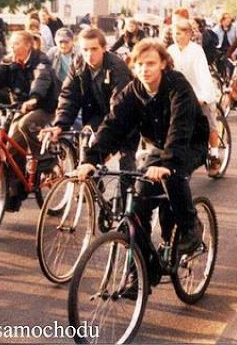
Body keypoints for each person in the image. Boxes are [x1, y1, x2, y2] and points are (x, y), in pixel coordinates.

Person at [74, 39, 208, 266]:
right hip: (159, 148)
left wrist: (168, 163)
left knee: (173, 176)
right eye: (140, 64)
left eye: (151, 64)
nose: (145, 70)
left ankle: (190, 228)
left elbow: (180, 128)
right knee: (137, 201)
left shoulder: (178, 86)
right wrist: (90, 159)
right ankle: (143, 269)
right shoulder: (132, 91)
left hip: (189, 144)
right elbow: (112, 125)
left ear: (163, 64)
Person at [0, 30, 60, 211]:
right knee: (9, 147)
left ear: (27, 46)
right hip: (20, 105)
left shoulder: (41, 61)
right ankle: (16, 191)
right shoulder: (9, 62)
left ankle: (45, 159)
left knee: (24, 125)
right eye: (11, 44)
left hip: (44, 105)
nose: (12, 47)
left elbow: (41, 79)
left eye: (16, 44)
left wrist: (34, 98)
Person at [43, 27, 134, 145]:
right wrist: (60, 124)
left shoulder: (117, 67)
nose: (89, 54)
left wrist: (102, 132)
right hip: (96, 115)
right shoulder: (78, 64)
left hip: (124, 119)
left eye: (94, 49)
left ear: (104, 48)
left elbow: (120, 105)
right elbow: (69, 96)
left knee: (126, 160)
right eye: (85, 50)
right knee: (85, 150)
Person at [168, 18, 224, 176]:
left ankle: (214, 155)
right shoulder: (171, 50)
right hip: (180, 94)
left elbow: (203, 75)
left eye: (178, 33)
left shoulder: (196, 51)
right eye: (173, 33)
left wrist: (204, 96)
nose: (175, 36)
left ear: (188, 34)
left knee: (209, 124)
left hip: (200, 92)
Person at [212, 13, 237, 81]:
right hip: (220, 50)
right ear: (222, 20)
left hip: (231, 50)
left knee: (230, 64)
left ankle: (229, 78)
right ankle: (222, 78)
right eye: (226, 18)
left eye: (229, 18)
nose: (228, 20)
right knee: (219, 61)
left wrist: (235, 53)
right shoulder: (216, 29)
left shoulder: (234, 28)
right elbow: (212, 41)